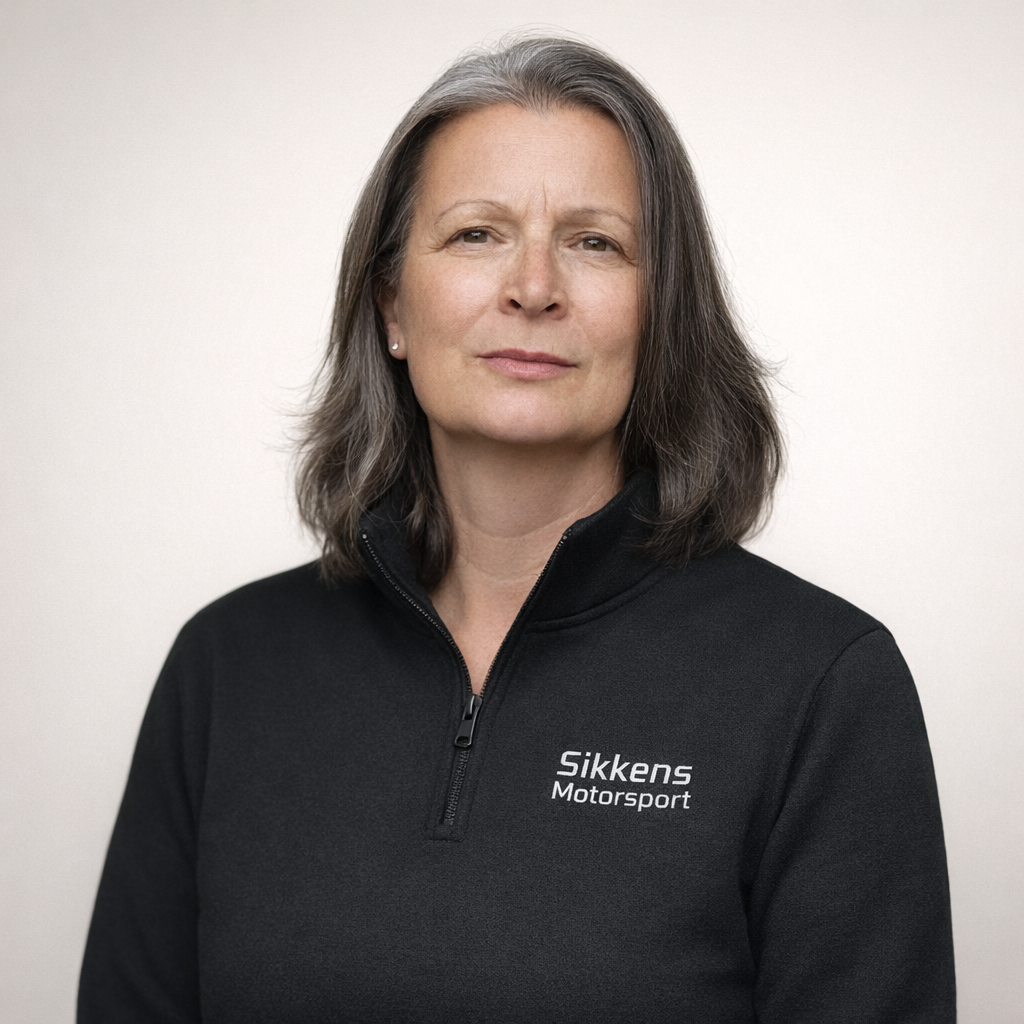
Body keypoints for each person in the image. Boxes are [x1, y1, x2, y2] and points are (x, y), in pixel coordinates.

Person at [78, 36, 955, 1023]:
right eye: (475, 235)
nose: (532, 287)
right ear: (392, 309)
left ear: (658, 311)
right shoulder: (226, 671)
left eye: (594, 242)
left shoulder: (821, 685)